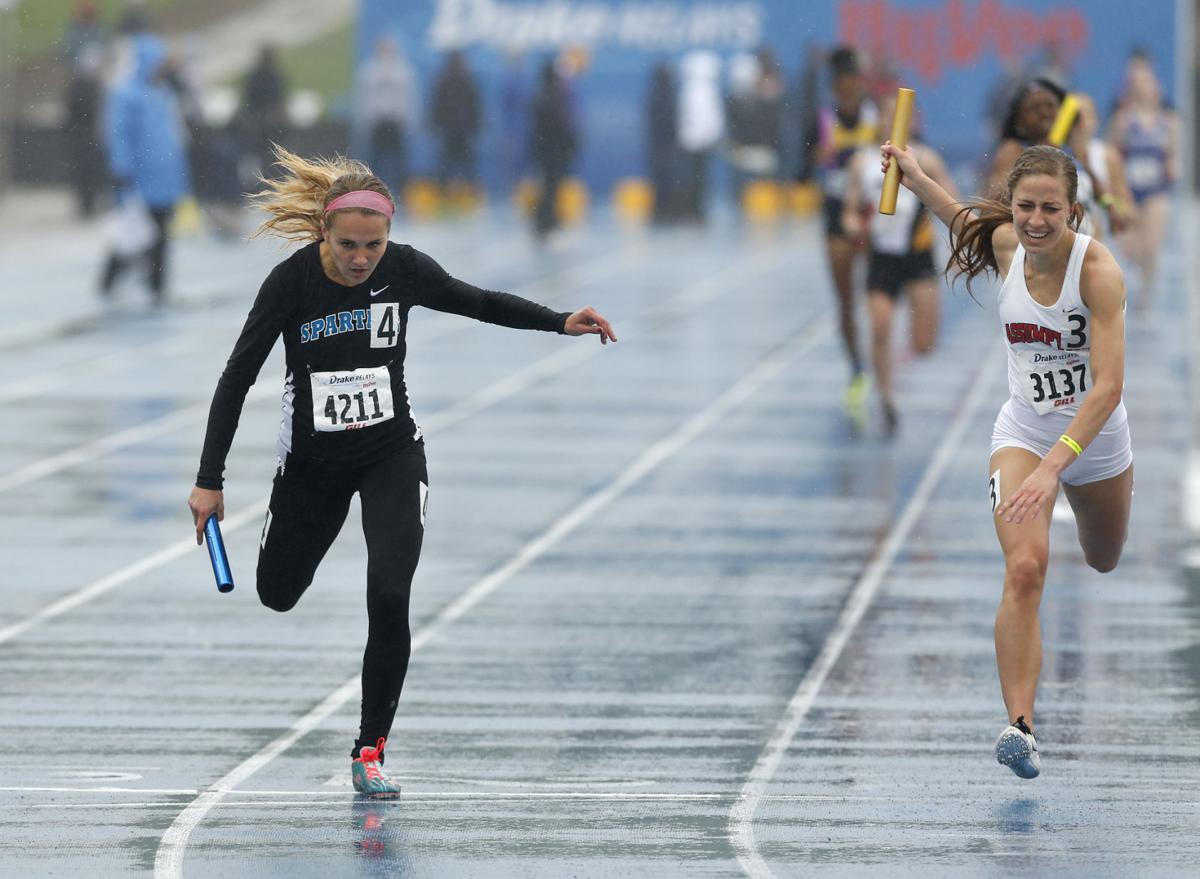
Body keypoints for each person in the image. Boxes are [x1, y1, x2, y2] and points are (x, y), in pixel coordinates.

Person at [186, 146, 616, 796]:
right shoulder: (292, 284)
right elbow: (236, 375)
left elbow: (475, 300)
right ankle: (294, 560)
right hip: (313, 466)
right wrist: (209, 479)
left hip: (390, 453)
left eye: (374, 246)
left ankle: (369, 748)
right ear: (325, 234)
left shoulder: (405, 270)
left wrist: (558, 321)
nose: (362, 259)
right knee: (277, 591)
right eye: (349, 245)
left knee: (390, 594)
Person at [882, 139, 1133, 780]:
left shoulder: (1097, 271)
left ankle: (1078, 502)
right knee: (1025, 566)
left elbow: (1107, 387)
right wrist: (913, 178)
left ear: (1074, 210)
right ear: (1012, 207)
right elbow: (963, 220)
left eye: (1051, 208)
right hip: (1022, 430)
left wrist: (1058, 469)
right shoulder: (1005, 247)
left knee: (1103, 558)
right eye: (1025, 207)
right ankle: (1020, 725)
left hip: (1094, 440)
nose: (1037, 221)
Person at [841, 95, 958, 434]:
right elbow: (849, 210)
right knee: (879, 326)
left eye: (899, 118)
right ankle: (886, 396)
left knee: (924, 344)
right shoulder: (862, 162)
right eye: (886, 117)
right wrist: (852, 226)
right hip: (881, 258)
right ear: (877, 121)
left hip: (918, 256)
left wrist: (959, 251)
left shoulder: (927, 159)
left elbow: (952, 204)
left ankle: (898, 360)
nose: (892, 123)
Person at [100, 32, 190, 303]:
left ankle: (157, 286)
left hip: (165, 178)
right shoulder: (125, 94)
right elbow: (119, 134)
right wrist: (121, 168)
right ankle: (111, 277)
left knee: (162, 235)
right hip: (140, 178)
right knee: (133, 234)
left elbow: (173, 131)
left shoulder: (163, 92)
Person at [815, 47, 878, 425]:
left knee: (878, 294)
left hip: (873, 219)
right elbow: (803, 170)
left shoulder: (876, 116)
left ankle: (880, 349)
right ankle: (857, 367)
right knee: (845, 299)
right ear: (835, 86)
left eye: (853, 82)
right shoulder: (822, 119)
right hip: (836, 219)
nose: (847, 89)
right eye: (841, 84)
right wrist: (819, 159)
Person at [1107, 54, 1179, 311]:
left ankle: (1147, 296)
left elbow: (1173, 156)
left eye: (1150, 84)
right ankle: (1131, 286)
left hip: (1156, 190)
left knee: (1151, 246)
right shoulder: (1123, 121)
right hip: (1129, 189)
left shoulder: (1169, 122)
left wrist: (1172, 165)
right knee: (1131, 250)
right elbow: (1111, 155)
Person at [355, 37, 418, 202]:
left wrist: (408, 119)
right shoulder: (370, 70)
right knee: (375, 160)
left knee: (399, 160)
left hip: (395, 121)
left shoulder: (401, 69)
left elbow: (407, 97)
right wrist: (366, 119)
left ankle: (402, 194)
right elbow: (365, 97)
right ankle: (373, 192)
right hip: (378, 121)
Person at [529, 59, 579, 240]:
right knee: (550, 187)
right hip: (553, 151)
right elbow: (559, 126)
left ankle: (544, 220)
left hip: (545, 150)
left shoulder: (540, 95)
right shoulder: (553, 97)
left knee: (548, 186)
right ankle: (545, 221)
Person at [429, 50, 483, 193]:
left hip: (449, 128)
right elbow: (475, 106)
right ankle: (469, 190)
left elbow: (437, 105)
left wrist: (435, 124)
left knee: (447, 161)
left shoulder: (444, 80)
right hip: (462, 128)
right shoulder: (468, 80)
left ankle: (444, 190)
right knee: (465, 161)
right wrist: (475, 124)